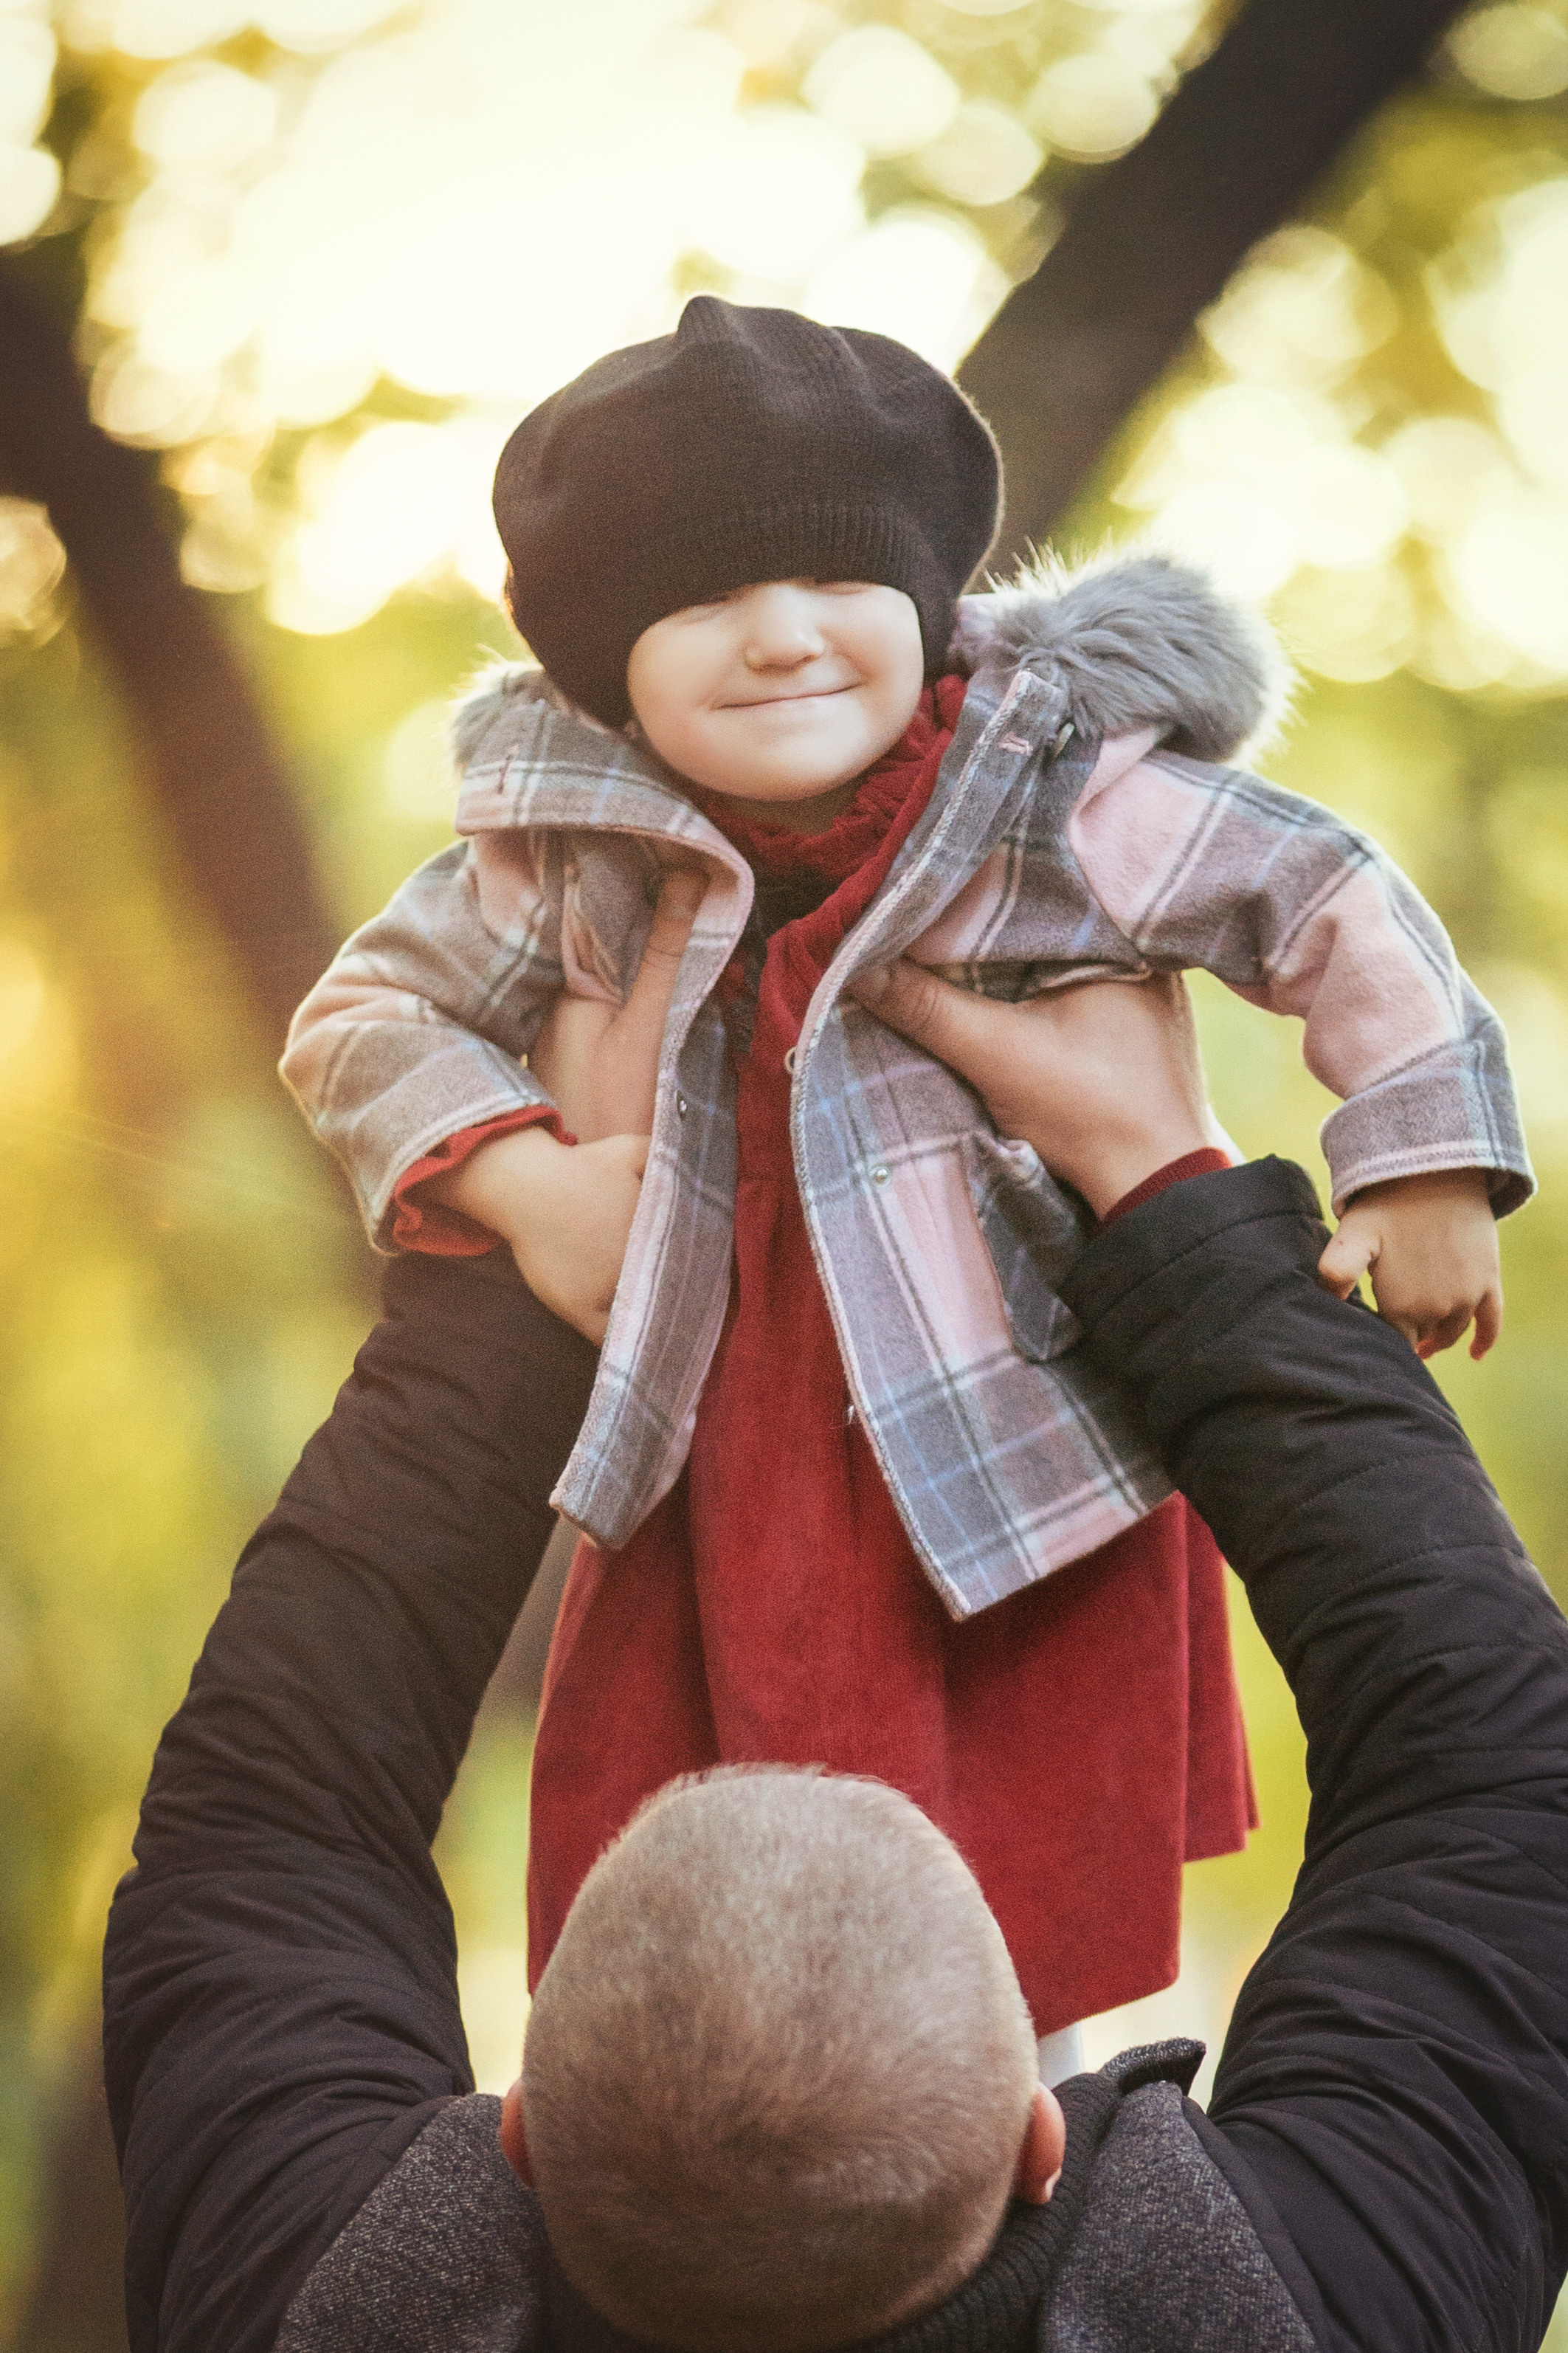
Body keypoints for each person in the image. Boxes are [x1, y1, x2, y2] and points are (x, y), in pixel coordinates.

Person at [279, 294, 1530, 2046]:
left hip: (1005, 1430)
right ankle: (719, 2173)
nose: (781, 635)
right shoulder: (564, 846)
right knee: (715, 1889)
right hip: (716, 1460)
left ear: (928, 594)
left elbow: (1323, 901)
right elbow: (361, 1018)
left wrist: (1420, 1164)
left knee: (1004, 1886)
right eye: (701, 597)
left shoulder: (1045, 785)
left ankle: (1020, 2146)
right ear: (593, 653)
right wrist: (520, 1180)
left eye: (834, 581)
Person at [103, 966, 1568, 2353]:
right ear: (1037, 2134)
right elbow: (1493, 1786)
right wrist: (1164, 1178)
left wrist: (553, 1218)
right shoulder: (1314, 2305)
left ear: (524, 2134)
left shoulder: (318, 2293)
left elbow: (271, 1822)